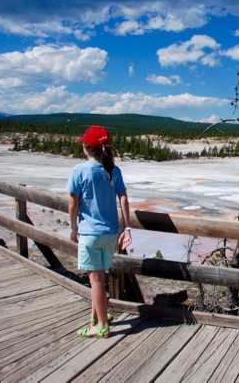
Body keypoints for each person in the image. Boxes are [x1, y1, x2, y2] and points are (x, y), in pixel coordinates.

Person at [67, 125, 132, 338]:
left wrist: (73, 228)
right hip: (110, 234)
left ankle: (102, 326)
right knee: (100, 278)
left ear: (86, 147)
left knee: (95, 280)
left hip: (90, 233)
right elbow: (123, 197)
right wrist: (127, 227)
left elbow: (73, 203)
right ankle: (95, 319)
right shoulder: (113, 170)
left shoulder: (79, 171)